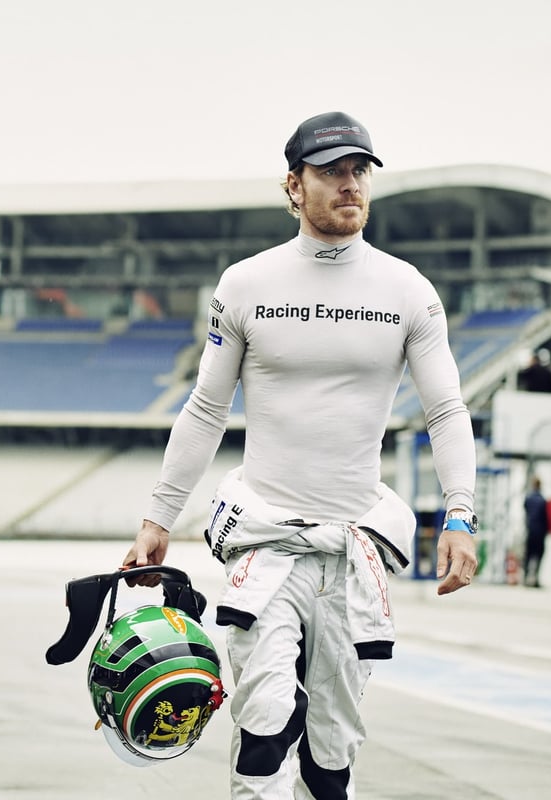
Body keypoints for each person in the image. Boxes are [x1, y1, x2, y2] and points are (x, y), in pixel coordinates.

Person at [122, 110, 479, 800]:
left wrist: (460, 516)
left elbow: (446, 410)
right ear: (294, 184)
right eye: (333, 172)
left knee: (331, 750)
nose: (351, 185)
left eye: (359, 171)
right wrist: (157, 519)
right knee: (263, 725)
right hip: (266, 543)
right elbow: (205, 409)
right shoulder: (247, 285)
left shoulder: (407, 290)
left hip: (355, 548)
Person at [522, 476, 549, 587]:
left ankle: (525, 577)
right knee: (539, 555)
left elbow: (526, 511)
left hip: (530, 530)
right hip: (541, 532)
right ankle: (536, 578)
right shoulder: (543, 500)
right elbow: (546, 517)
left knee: (528, 555)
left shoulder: (528, 499)